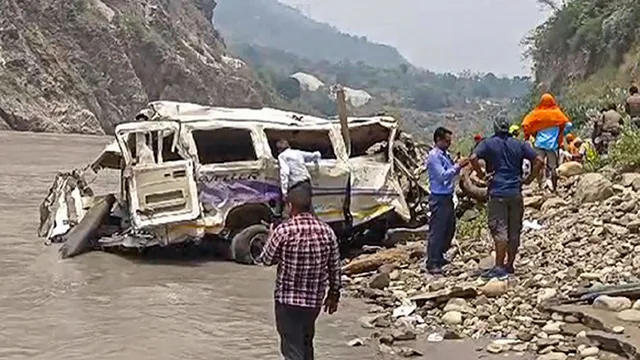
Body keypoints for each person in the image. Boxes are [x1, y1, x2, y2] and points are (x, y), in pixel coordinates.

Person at [259, 185, 340, 360]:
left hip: (287, 301)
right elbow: (334, 267)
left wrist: (270, 236)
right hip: (314, 302)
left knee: (292, 350)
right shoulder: (327, 232)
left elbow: (265, 260)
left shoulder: (283, 231)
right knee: (306, 344)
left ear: (290, 206)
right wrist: (334, 294)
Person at [470, 116, 543, 279]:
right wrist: (529, 179)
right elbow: (538, 160)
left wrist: (482, 175)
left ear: (495, 127)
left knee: (499, 229)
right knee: (514, 230)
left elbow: (473, 158)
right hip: (515, 192)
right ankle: (510, 265)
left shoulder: (488, 143)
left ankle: (499, 266)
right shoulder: (519, 144)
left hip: (497, 192)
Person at [424, 127, 469, 275]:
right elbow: (443, 175)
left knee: (449, 227)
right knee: (437, 230)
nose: (449, 144)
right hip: (438, 197)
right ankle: (432, 261)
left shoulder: (445, 155)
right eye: (446, 141)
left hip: (447, 195)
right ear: (438, 140)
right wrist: (458, 166)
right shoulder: (434, 156)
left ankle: (440, 255)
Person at [522, 93, 571, 193]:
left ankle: (540, 186)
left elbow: (525, 124)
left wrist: (531, 134)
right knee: (553, 168)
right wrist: (561, 133)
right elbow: (568, 124)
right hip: (552, 146)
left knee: (539, 165)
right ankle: (554, 188)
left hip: (539, 144)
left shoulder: (537, 113)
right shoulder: (557, 113)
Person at [276, 140, 321, 217]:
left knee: (294, 210)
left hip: (296, 186)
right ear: (289, 147)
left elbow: (285, 172)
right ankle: (315, 225)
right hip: (306, 184)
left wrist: (284, 192)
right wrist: (318, 157)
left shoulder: (282, 156)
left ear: (279, 150)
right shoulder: (297, 152)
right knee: (308, 208)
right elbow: (314, 155)